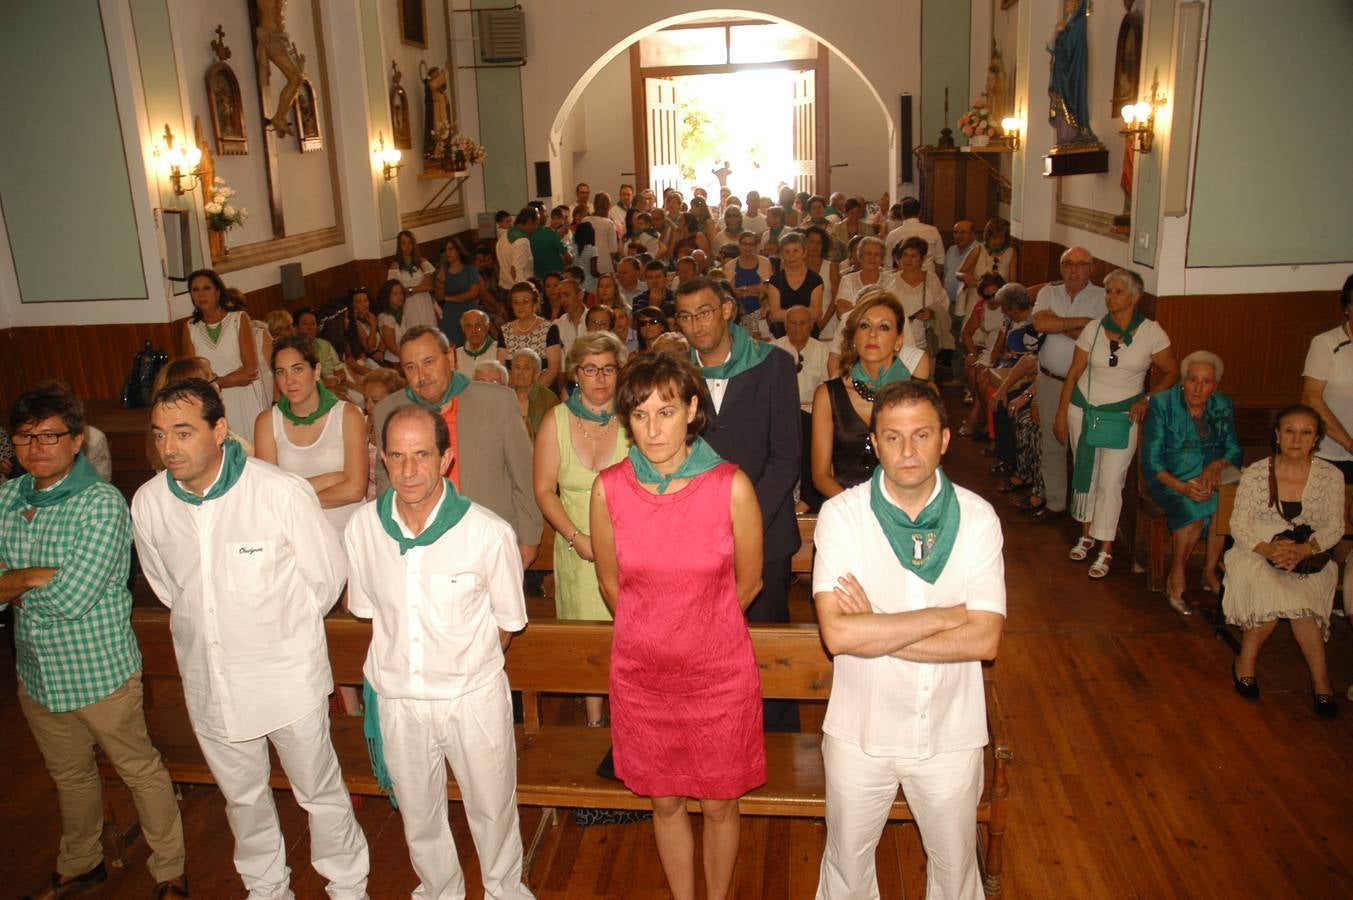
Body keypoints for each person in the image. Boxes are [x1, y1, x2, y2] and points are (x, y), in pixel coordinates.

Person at [133, 379, 369, 899]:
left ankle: (348, 886)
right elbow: (173, 590)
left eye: (183, 432)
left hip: (286, 677)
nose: (169, 447)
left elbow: (326, 578)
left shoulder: (278, 492)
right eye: (159, 434)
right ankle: (267, 889)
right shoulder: (150, 503)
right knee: (242, 797)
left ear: (220, 431)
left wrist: (274, 632)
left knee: (320, 793)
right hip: (211, 680)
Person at [813, 380, 1005, 900]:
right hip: (859, 729)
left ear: (945, 438)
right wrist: (945, 616)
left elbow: (984, 639)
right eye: (892, 437)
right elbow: (838, 634)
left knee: (955, 873)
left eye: (921, 435)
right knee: (846, 871)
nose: (907, 451)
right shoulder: (842, 517)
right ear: (873, 442)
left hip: (950, 732)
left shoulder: (978, 518)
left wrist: (876, 622)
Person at [590, 352, 766, 900]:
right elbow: (611, 586)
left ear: (693, 409)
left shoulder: (729, 486)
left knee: (718, 801)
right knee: (664, 801)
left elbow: (751, 582)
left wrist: (701, 631)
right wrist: (655, 632)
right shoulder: (609, 489)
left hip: (719, 676)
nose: (653, 429)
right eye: (639, 415)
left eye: (665, 412)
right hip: (644, 679)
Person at [3, 384, 188, 900]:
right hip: (37, 674)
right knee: (70, 777)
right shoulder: (6, 498)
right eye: (23, 437)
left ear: (77, 440)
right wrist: (33, 578)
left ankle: (170, 870)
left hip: (99, 673)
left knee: (139, 771)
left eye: (49, 436)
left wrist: (15, 585)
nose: (35, 448)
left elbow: (74, 598)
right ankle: (82, 862)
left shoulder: (101, 505)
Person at [345, 405, 535, 899]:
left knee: (492, 808)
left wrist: (457, 667)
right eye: (397, 456)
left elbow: (507, 623)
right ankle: (439, 890)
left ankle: (503, 891)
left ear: (447, 458)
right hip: (398, 699)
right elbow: (369, 611)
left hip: (471, 698)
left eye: (422, 455)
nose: (408, 471)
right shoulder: (363, 529)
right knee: (419, 813)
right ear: (382, 459)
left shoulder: (487, 533)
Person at [676, 277, 801, 730]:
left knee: (765, 646)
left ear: (727, 310)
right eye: (686, 316)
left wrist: (740, 523)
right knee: (706, 646)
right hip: (695, 535)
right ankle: (717, 729)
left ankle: (775, 734)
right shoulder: (676, 373)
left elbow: (786, 458)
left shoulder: (774, 366)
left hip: (764, 532)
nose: (697, 325)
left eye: (705, 311)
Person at [373, 327, 542, 565]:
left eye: (429, 362)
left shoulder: (497, 402)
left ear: (450, 358)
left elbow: (524, 475)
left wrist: (529, 537)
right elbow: (384, 475)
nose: (421, 375)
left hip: (488, 541)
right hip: (418, 543)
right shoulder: (387, 411)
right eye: (411, 367)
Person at [1054, 268, 1177, 578]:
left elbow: (1172, 372)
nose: (1110, 297)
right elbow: (1073, 372)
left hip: (1123, 416)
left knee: (1112, 480)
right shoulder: (1093, 329)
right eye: (1108, 292)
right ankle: (1086, 535)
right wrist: (1060, 412)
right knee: (1087, 473)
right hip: (1083, 410)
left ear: (1135, 297)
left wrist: (1146, 399)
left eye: (1118, 292)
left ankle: (1105, 547)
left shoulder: (1152, 332)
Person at [534, 332, 629, 727]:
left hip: (629, 547)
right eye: (591, 369)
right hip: (576, 546)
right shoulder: (555, 420)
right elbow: (543, 489)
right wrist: (577, 538)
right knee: (587, 635)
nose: (601, 379)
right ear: (575, 374)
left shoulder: (633, 416)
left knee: (628, 638)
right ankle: (593, 719)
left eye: (608, 369)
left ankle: (628, 714)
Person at [1223, 404, 1341, 718]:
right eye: (1289, 430)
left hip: (1309, 554)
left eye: (1306, 433)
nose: (1296, 439)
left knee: (1300, 601)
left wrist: (1305, 550)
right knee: (1273, 590)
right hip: (1256, 548)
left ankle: (1320, 681)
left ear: (1316, 439)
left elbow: (1335, 527)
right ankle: (1245, 663)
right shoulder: (1258, 472)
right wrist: (1268, 550)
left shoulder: (1331, 476)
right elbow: (1239, 525)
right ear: (1277, 435)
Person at [1142, 351, 1242, 614]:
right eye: (1192, 380)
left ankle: (1209, 571)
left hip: (1212, 478)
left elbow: (1233, 450)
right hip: (1169, 479)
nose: (1198, 388)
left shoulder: (1223, 404)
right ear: (1182, 380)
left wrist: (1215, 465)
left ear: (1215, 385)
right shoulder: (1163, 404)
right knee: (1193, 513)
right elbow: (1152, 462)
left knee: (1225, 502)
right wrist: (1182, 487)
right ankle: (1176, 578)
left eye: (1206, 382)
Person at [812, 292, 931, 501]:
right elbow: (821, 476)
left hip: (904, 505)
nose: (872, 334)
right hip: (846, 507)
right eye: (864, 326)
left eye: (884, 327)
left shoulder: (922, 395)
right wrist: (858, 511)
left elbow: (929, 468)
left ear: (898, 342)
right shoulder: (827, 395)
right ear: (853, 339)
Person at [254, 335, 368, 532]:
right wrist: (329, 479)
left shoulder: (347, 415)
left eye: (297, 369)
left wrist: (294, 498)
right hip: (300, 533)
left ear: (316, 371)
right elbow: (271, 496)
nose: (289, 380)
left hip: (349, 530)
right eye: (281, 372)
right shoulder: (267, 422)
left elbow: (355, 490)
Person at [1029, 246, 1107, 522]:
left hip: (1086, 383)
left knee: (1082, 445)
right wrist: (1080, 325)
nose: (1073, 270)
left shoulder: (1102, 297)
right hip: (1049, 379)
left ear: (1091, 268)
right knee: (1052, 442)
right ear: (1061, 268)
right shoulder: (1048, 292)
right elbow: (1039, 324)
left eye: (1080, 265)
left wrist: (1058, 323)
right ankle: (1055, 505)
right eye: (1068, 264)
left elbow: (1098, 336)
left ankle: (1084, 512)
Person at [182, 268, 267, 445]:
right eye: (195, 290)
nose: (201, 294)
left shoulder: (238, 319)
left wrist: (213, 382)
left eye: (206, 288)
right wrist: (227, 380)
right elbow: (191, 375)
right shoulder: (190, 327)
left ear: (218, 291)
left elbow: (250, 370)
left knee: (250, 452)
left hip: (242, 398)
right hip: (209, 402)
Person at [1300, 274, 1353, 483]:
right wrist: (1349, 443)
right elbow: (1311, 399)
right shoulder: (1326, 343)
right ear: (1346, 308)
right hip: (1330, 455)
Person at [829, 236, 897, 347]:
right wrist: (876, 309)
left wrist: (856, 308)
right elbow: (841, 311)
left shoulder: (891, 281)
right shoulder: (848, 279)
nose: (872, 258)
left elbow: (891, 310)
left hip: (881, 339)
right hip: (851, 337)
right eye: (868, 254)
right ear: (860, 257)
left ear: (882, 259)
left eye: (876, 254)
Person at [498, 281, 563, 388]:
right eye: (516, 302)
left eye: (525, 301)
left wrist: (531, 392)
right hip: (513, 391)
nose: (520, 306)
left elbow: (554, 368)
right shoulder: (505, 330)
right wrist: (517, 392)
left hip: (543, 391)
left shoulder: (549, 328)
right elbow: (502, 367)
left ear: (535, 302)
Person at [892, 236, 949, 355]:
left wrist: (932, 313)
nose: (908, 259)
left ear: (922, 259)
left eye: (913, 256)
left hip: (925, 341)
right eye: (905, 255)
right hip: (897, 342)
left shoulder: (931, 279)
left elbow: (943, 303)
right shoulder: (891, 280)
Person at [766, 232, 824, 338]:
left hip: (809, 337)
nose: (791, 256)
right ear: (782, 255)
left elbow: (816, 314)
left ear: (804, 252)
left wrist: (785, 314)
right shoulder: (775, 280)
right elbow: (774, 315)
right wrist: (805, 314)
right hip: (782, 337)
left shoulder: (815, 279)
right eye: (787, 251)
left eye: (796, 251)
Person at [387, 229, 441, 330]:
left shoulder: (422, 262)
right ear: (399, 246)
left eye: (409, 242)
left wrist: (410, 290)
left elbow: (429, 286)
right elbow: (398, 292)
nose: (407, 246)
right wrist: (420, 287)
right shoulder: (395, 266)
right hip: (408, 306)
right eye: (403, 243)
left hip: (425, 303)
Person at [436, 237, 483, 347]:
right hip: (451, 314)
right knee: (453, 347)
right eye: (445, 250)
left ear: (458, 250)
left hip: (469, 311)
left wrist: (449, 298)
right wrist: (440, 282)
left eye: (451, 249)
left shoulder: (470, 269)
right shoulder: (442, 273)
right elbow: (439, 297)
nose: (448, 253)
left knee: (473, 345)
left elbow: (473, 293)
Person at [883, 197, 944, 275]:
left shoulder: (893, 235)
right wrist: (936, 280)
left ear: (902, 214)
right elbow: (940, 261)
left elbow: (888, 265)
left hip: (903, 279)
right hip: (928, 277)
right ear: (919, 213)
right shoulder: (933, 231)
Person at [509, 347, 560, 439]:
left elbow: (556, 435)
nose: (520, 373)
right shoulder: (505, 396)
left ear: (536, 374)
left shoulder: (549, 400)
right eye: (517, 367)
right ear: (511, 372)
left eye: (526, 368)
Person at [454, 308, 497, 378]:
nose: (473, 330)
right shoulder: (456, 355)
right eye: (469, 326)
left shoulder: (498, 351)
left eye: (478, 325)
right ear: (463, 329)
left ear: (487, 327)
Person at [584, 193, 619, 276]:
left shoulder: (585, 220)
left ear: (595, 204)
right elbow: (613, 249)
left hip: (586, 261)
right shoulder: (609, 223)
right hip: (604, 262)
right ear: (608, 207)